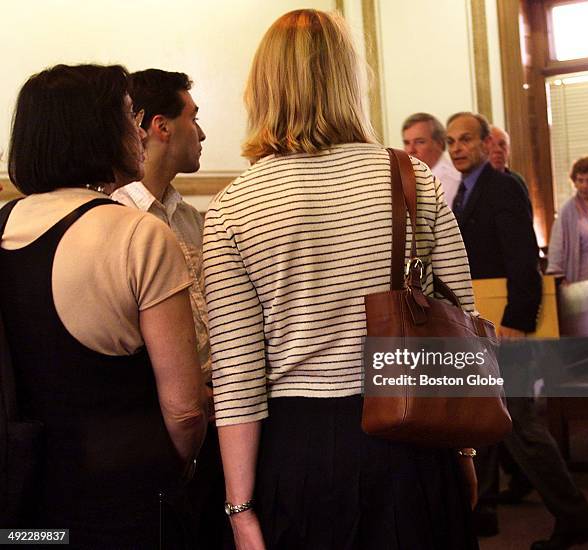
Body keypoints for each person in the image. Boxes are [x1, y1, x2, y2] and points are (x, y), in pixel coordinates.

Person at [204, 10, 478, 550]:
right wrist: (465, 452)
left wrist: (239, 508)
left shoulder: (233, 205)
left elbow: (237, 375)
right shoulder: (410, 176)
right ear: (349, 81)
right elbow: (461, 326)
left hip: (297, 449)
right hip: (411, 430)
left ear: (262, 88)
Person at [0, 64, 206, 548]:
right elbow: (185, 410)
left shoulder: (3, 223)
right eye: (127, 116)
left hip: (23, 507)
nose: (136, 131)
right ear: (95, 130)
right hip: (123, 506)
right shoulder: (137, 233)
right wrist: (187, 464)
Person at [447, 112, 588, 550]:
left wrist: (516, 321)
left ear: (484, 143)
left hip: (507, 327)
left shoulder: (500, 187)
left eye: (466, 140)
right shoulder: (465, 191)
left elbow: (522, 262)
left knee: (521, 426)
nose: (457, 148)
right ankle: (487, 504)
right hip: (484, 326)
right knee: (489, 418)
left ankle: (576, 518)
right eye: (452, 141)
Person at [111, 68, 227, 548]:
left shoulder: (194, 218)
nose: (201, 133)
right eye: (193, 118)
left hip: (217, 422)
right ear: (161, 127)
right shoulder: (117, 217)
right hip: (155, 427)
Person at [547, 156, 588, 283]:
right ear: (574, 181)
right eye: (580, 180)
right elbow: (557, 245)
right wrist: (559, 277)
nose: (584, 185)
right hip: (581, 277)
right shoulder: (567, 211)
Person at [402, 112, 461, 204]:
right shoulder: (404, 180)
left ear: (440, 144)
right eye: (407, 143)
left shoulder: (452, 182)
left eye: (419, 142)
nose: (410, 150)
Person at [488, 125, 532, 217]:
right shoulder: (476, 184)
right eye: (491, 145)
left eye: (502, 145)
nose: (498, 150)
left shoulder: (516, 181)